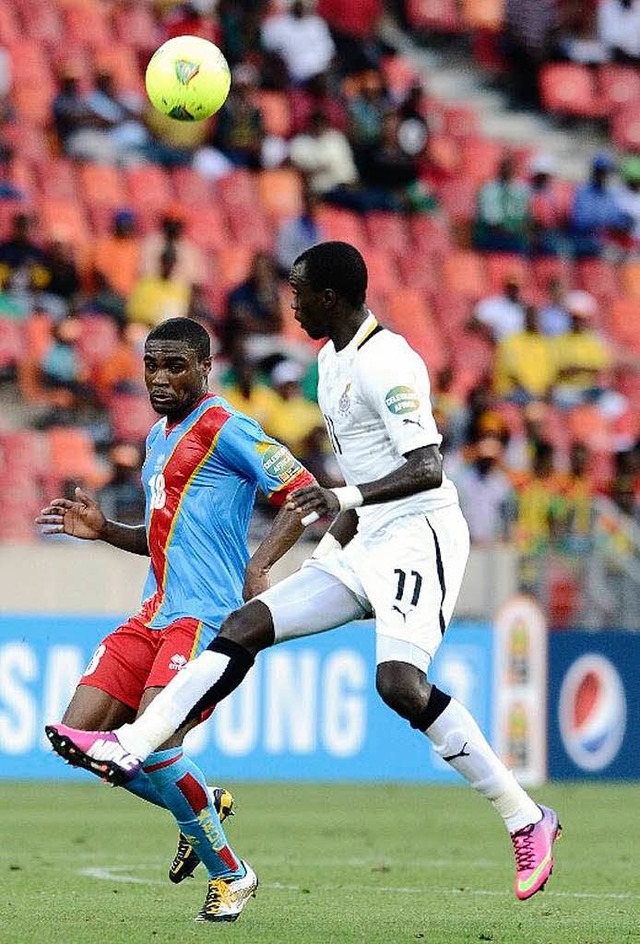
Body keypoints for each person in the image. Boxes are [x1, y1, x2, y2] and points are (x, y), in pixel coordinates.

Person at [47, 244, 561, 903]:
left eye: (299, 292)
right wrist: (327, 552)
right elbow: (362, 477)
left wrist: (339, 504)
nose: (290, 303)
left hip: (420, 535)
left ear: (331, 297)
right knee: (247, 624)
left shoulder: (388, 360)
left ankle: (526, 817)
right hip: (364, 538)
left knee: (399, 685)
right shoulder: (328, 360)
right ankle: (136, 747)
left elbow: (427, 467)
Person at [39, 316, 315, 922]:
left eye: (175, 366)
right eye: (152, 366)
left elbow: (302, 487)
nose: (160, 378)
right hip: (153, 613)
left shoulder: (226, 426)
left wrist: (259, 564)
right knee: (73, 738)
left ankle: (232, 873)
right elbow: (165, 539)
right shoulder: (159, 438)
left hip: (206, 621)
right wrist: (104, 530)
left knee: (156, 742)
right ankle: (201, 805)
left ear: (203, 368)